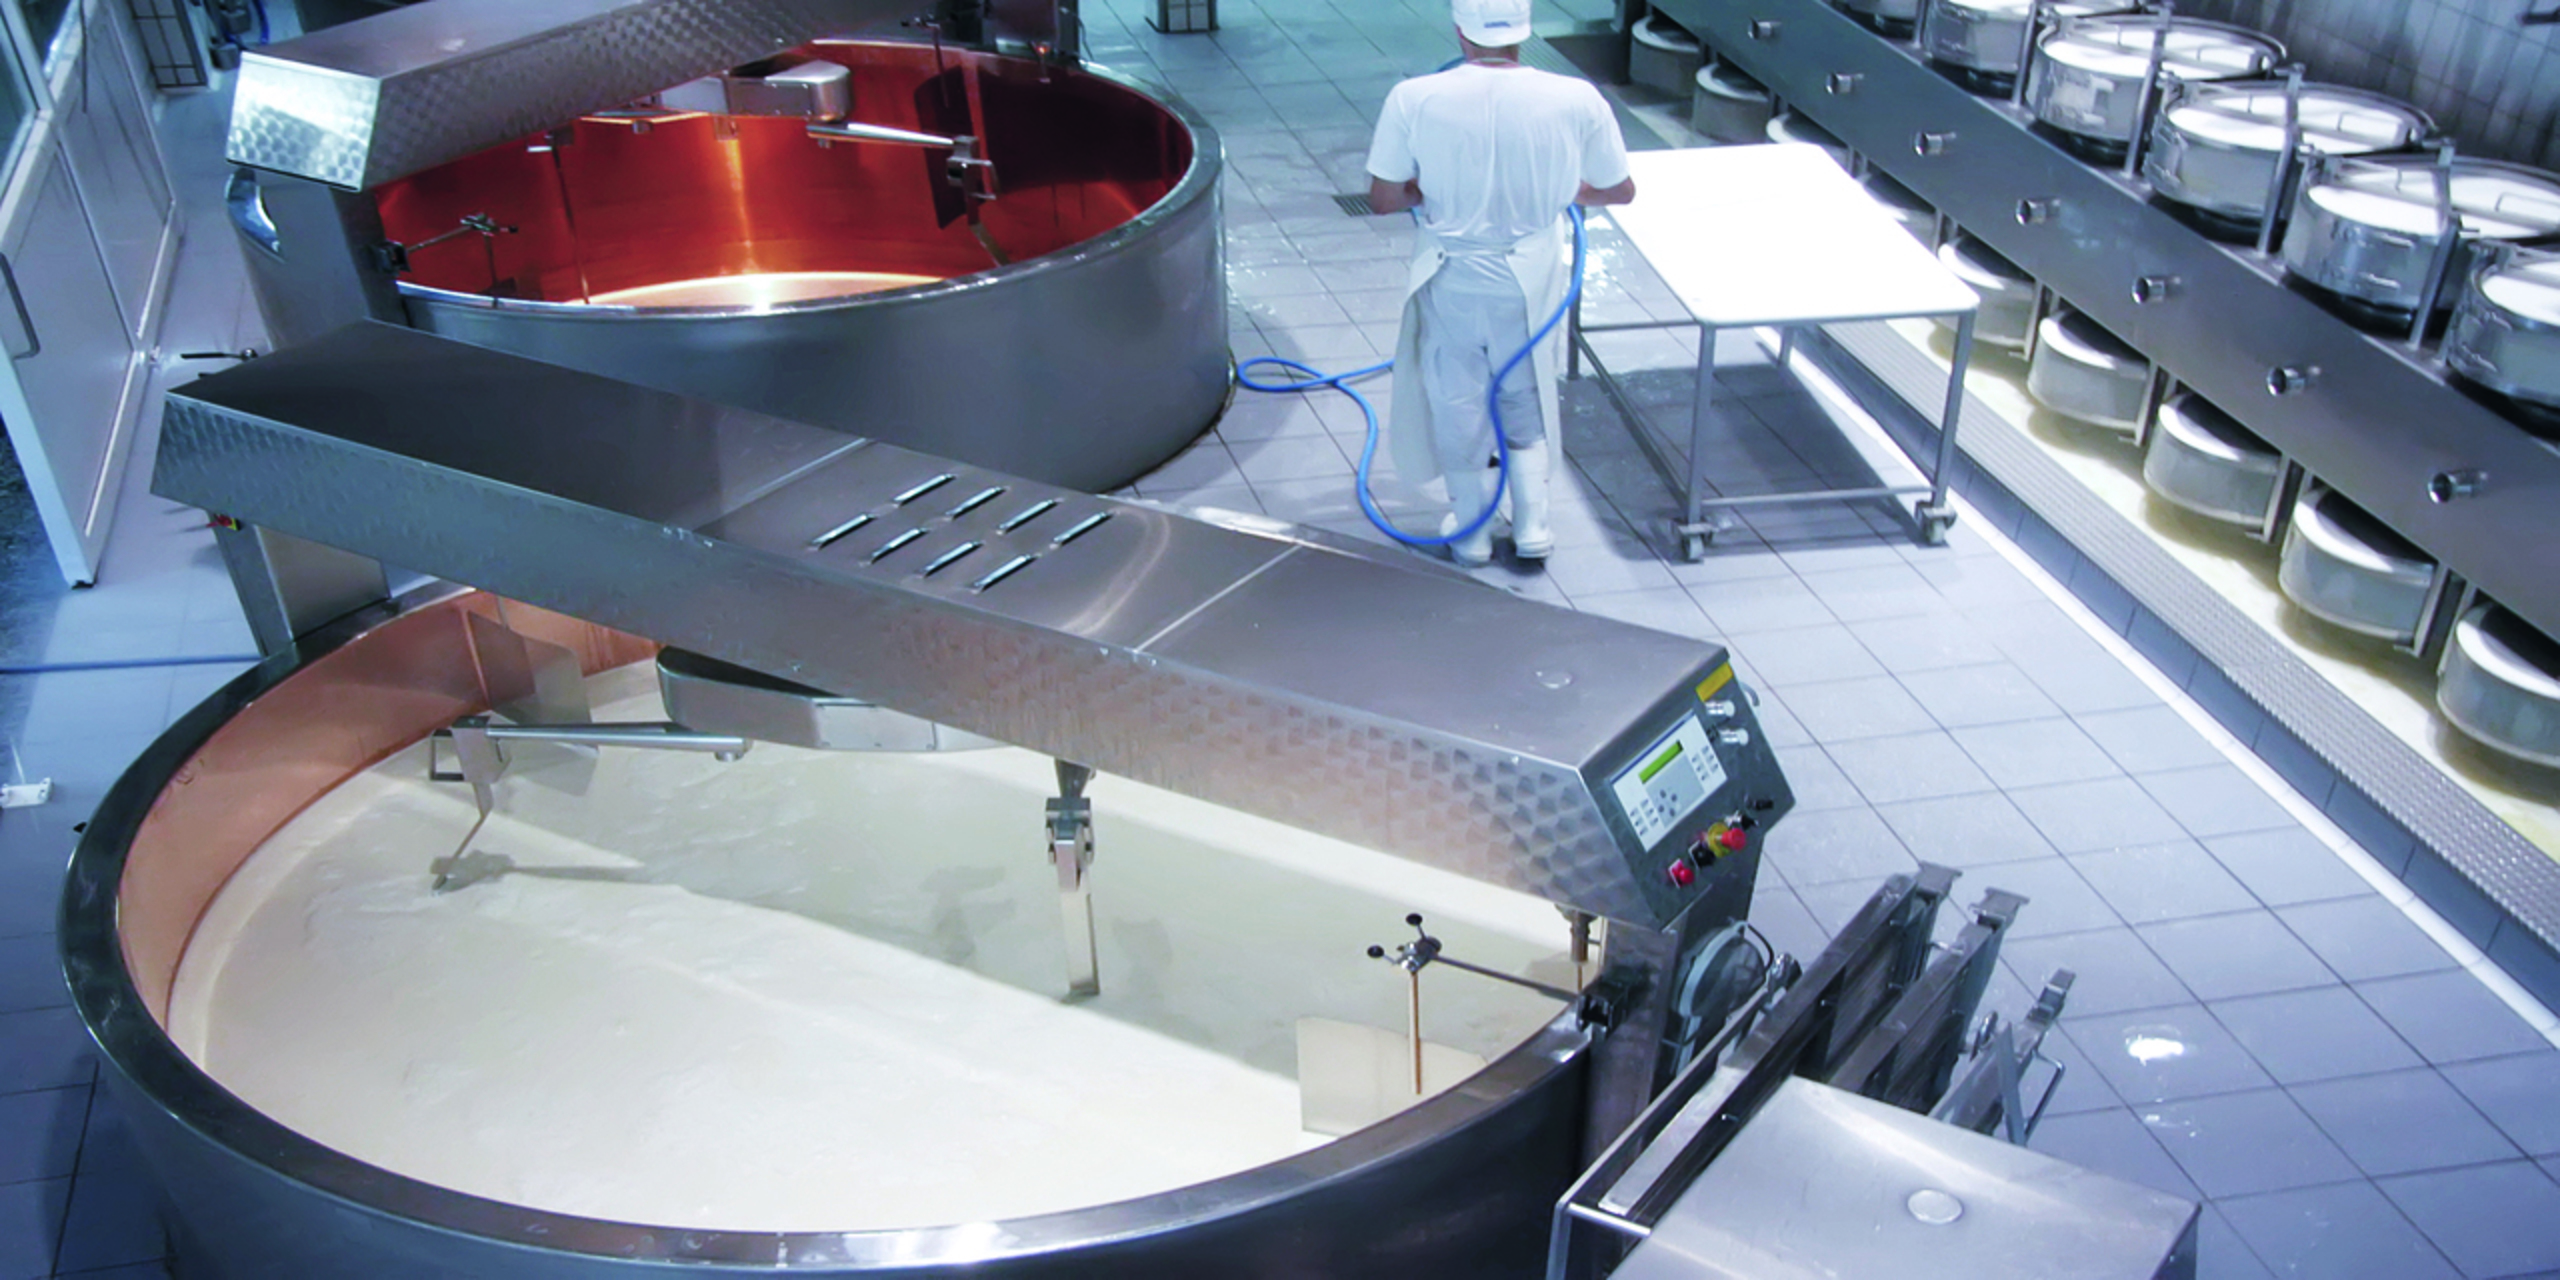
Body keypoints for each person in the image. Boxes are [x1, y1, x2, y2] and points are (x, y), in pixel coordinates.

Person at [1365, 0, 1637, 567]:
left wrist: (1425, 193)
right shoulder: (1577, 98)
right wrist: (1565, 188)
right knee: (1526, 387)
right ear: (1524, 29)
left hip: (1453, 276)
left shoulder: (1414, 97)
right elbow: (1619, 190)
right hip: (1530, 276)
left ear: (1459, 29)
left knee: (1456, 394)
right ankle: (1533, 524)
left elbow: (1384, 198)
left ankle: (1470, 531)